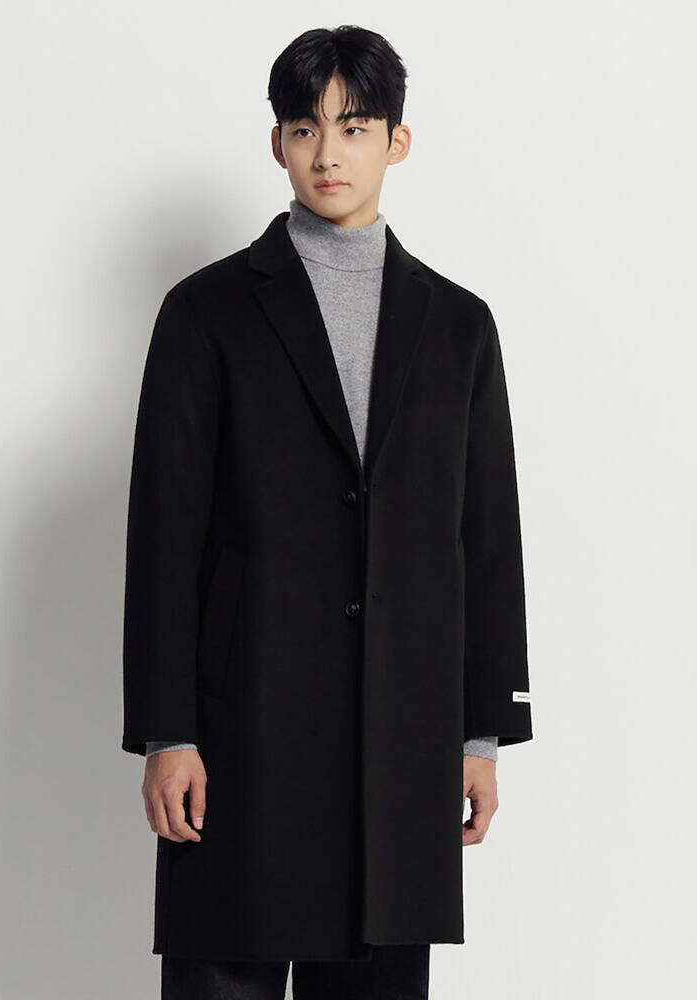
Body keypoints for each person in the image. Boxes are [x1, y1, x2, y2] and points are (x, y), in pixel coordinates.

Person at [122, 24, 533, 1000]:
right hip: (245, 736)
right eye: (305, 128)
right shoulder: (206, 313)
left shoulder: (458, 326)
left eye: (353, 128)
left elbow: (484, 538)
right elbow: (165, 533)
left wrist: (480, 735)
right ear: (277, 144)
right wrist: (167, 731)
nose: (327, 153)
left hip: (399, 746)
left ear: (397, 141)